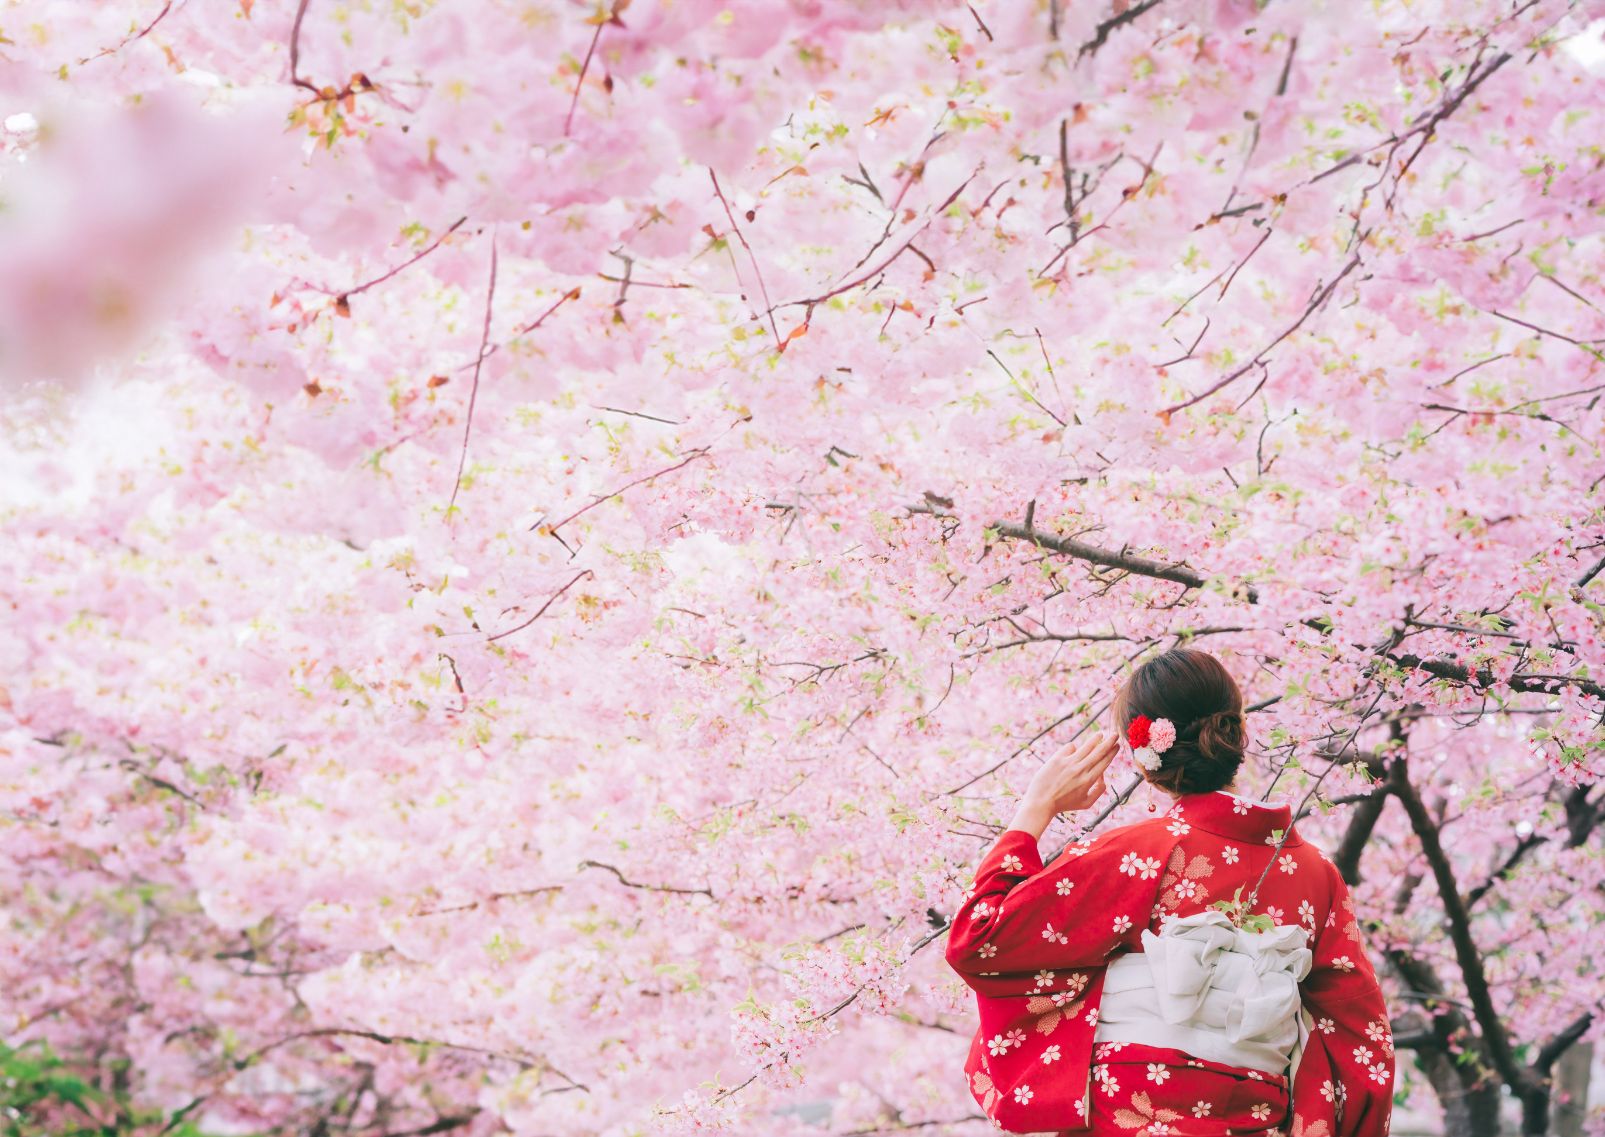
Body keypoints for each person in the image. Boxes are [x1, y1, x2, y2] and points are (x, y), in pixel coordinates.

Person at [944, 648, 1394, 1137]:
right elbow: (1360, 1043)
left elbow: (979, 940)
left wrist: (1035, 808)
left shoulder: (1133, 854)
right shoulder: (1316, 875)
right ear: (1238, 732)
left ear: (1143, 756)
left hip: (1125, 1116)